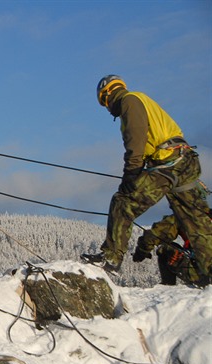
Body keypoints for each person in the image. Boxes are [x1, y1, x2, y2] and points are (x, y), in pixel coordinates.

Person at [81, 75, 212, 277]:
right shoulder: (143, 99)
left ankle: (111, 258)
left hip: (167, 164)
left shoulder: (128, 102)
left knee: (123, 202)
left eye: (104, 104)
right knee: (197, 222)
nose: (107, 110)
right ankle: (209, 274)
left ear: (107, 96)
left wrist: (131, 174)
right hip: (185, 161)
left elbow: (136, 139)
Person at [133, 211, 211, 287]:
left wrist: (141, 251)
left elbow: (157, 234)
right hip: (203, 272)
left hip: (199, 272)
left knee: (165, 249)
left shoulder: (186, 217)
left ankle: (167, 287)